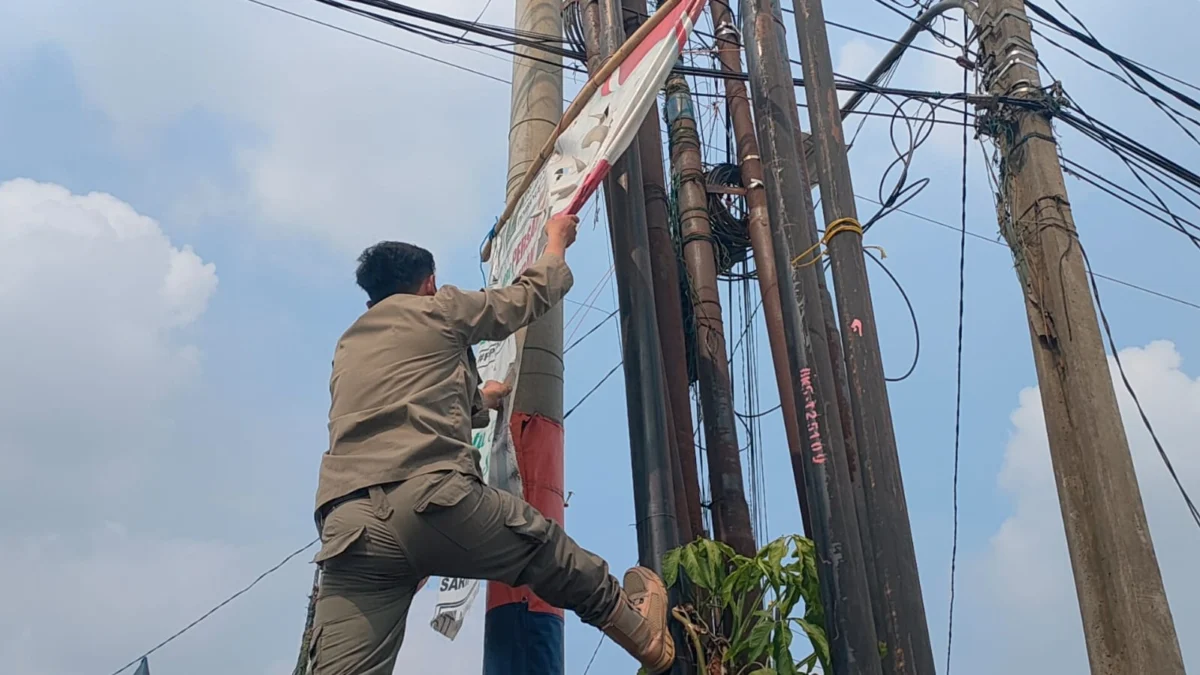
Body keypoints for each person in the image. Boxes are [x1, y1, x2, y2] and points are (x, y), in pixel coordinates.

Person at [309, 213, 676, 675]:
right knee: (544, 549)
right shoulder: (439, 309)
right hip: (432, 501)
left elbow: (403, 402)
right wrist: (557, 242)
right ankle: (640, 631)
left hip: (350, 530)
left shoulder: (348, 346)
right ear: (430, 283)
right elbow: (526, 298)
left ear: (370, 300)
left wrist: (480, 399)